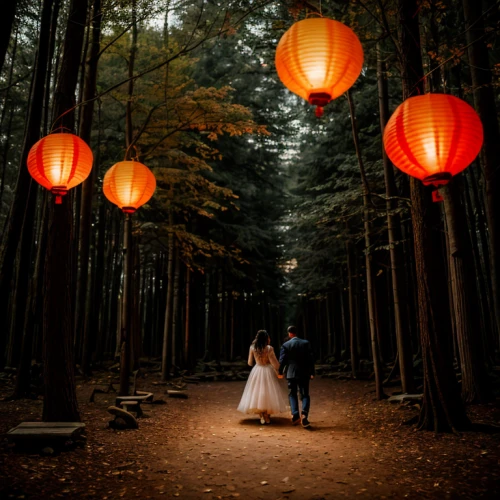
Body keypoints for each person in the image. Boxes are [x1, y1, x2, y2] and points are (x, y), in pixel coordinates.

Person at [237, 330, 288, 424]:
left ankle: (261, 416)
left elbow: (249, 362)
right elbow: (275, 364)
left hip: (257, 370)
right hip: (267, 371)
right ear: (266, 338)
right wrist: (280, 369)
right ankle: (267, 415)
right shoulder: (269, 348)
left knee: (257, 392)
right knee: (268, 392)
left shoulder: (252, 347)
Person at [278, 326, 315, 428]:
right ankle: (304, 414)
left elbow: (283, 360)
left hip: (291, 373)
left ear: (289, 333)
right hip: (304, 372)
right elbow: (310, 359)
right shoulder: (306, 343)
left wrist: (280, 371)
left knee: (292, 394)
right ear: (296, 332)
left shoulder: (286, 345)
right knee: (305, 394)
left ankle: (295, 415)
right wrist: (312, 372)